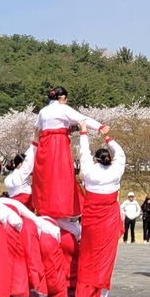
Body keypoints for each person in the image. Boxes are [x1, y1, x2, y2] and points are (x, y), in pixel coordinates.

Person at [32, 86, 110, 219]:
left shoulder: (43, 111)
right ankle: (61, 208)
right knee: (62, 176)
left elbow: (37, 129)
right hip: (57, 145)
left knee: (45, 178)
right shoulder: (62, 108)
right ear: (62, 98)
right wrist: (100, 126)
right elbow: (82, 119)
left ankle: (44, 209)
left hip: (43, 147)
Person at [74, 121, 125, 297]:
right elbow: (120, 152)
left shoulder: (89, 170)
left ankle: (84, 294)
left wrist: (84, 131)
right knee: (106, 256)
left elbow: (83, 152)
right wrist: (107, 136)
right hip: (109, 217)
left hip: (91, 217)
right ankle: (102, 294)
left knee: (88, 254)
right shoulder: (116, 170)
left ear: (95, 159)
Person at [4, 130, 40, 210]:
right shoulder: (21, 173)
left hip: (13, 204)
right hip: (24, 203)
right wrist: (35, 139)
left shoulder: (10, 175)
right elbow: (29, 159)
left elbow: (27, 156)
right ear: (20, 164)